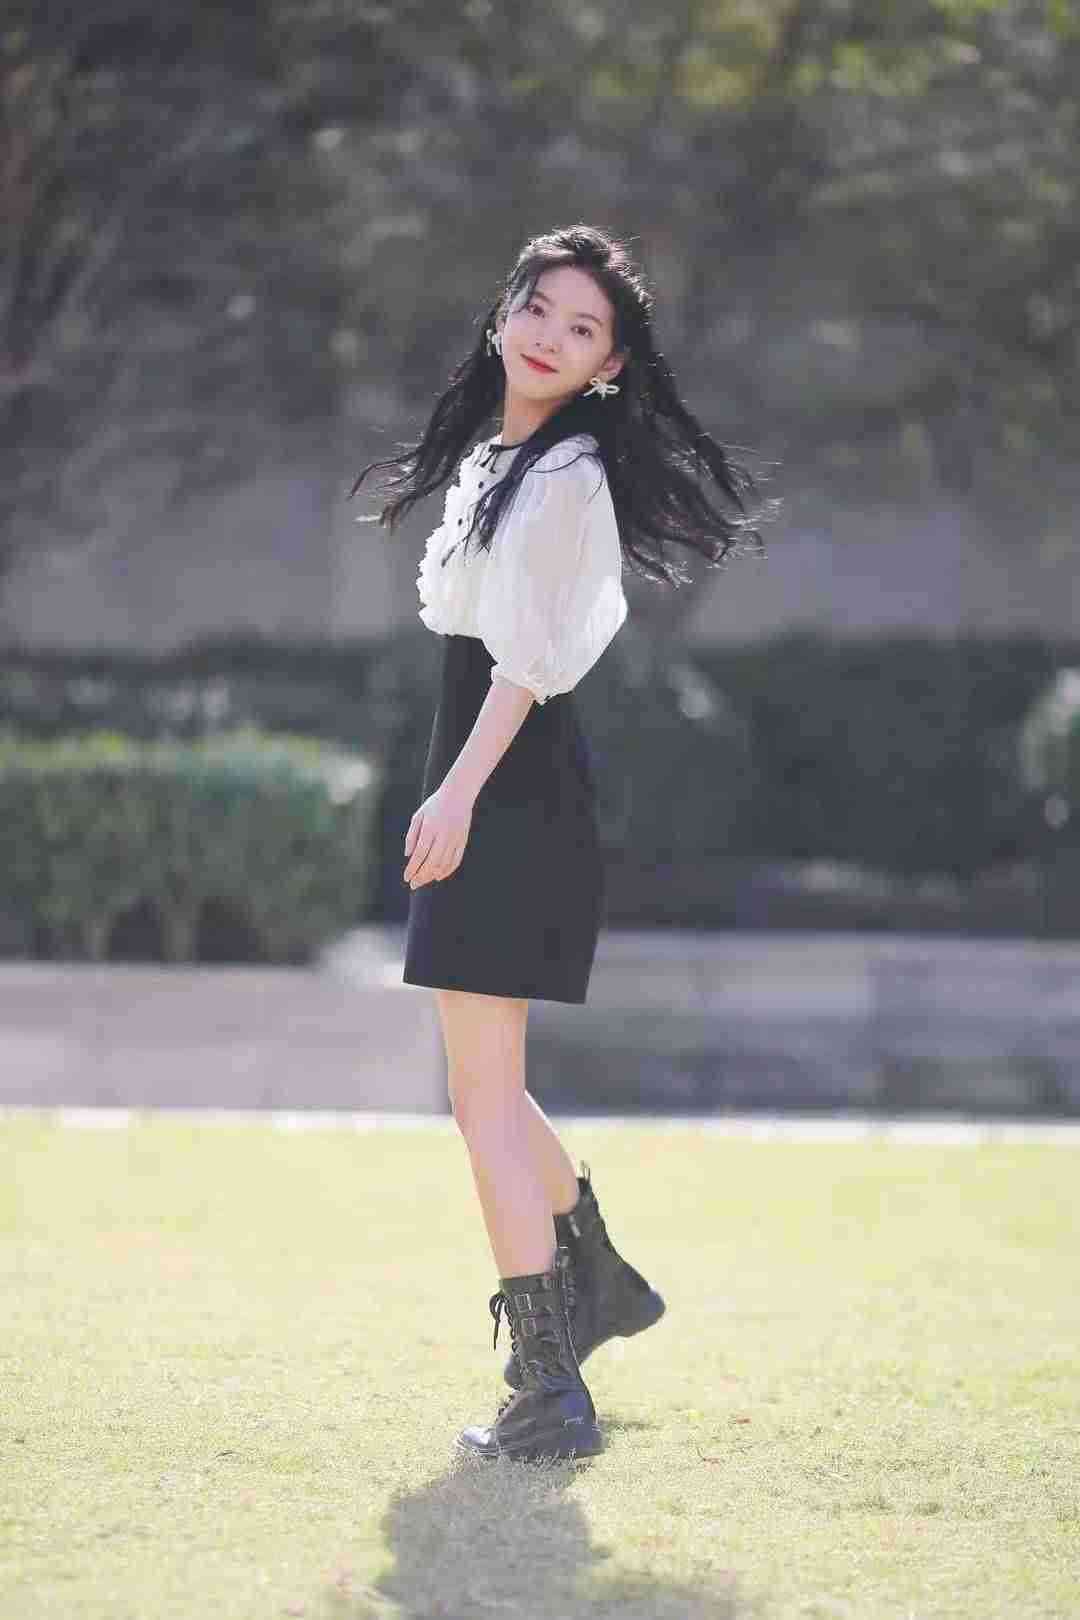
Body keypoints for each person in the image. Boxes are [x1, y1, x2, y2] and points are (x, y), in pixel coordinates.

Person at [350, 224, 766, 1464]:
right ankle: (601, 1282)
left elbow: (525, 668)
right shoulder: (510, 457)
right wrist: (459, 788)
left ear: (609, 366)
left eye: (582, 328)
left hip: (510, 782)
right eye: (537, 308)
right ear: (502, 315)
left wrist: (457, 796)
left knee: (479, 1101)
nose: (549, 335)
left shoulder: (568, 473)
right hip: (495, 774)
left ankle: (548, 1390)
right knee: (486, 1089)